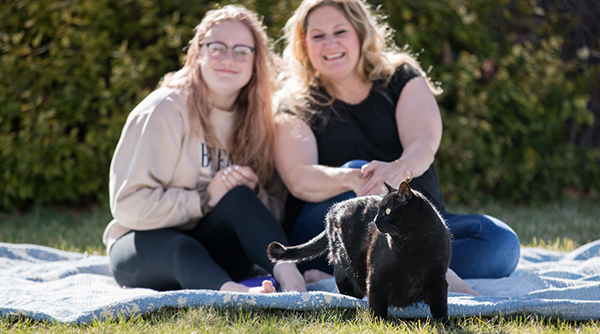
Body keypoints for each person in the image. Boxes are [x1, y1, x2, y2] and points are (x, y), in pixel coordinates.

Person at [274, 0, 520, 294]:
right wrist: (353, 179)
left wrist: (399, 170)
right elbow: (298, 177)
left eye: (340, 31)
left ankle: (369, 274)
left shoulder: (400, 77)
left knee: (500, 243)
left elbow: (424, 142)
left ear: (360, 32)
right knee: (362, 175)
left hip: (411, 223)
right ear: (304, 44)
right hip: (332, 233)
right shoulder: (294, 103)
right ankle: (440, 277)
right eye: (317, 36)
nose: (330, 43)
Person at [103, 5, 306, 294]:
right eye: (217, 47)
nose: (228, 59)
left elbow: (272, 214)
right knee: (181, 246)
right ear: (198, 52)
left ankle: (293, 282)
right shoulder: (164, 110)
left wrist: (255, 192)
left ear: (254, 61)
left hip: (217, 252)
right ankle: (236, 296)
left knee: (240, 197)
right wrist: (205, 199)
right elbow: (127, 206)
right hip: (144, 250)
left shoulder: (258, 121)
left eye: (241, 51)